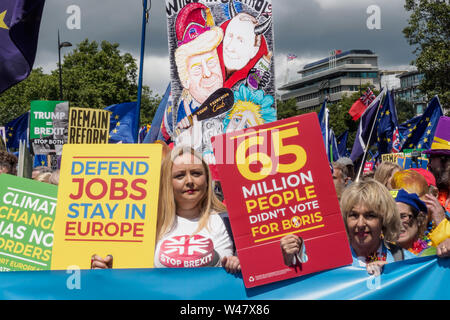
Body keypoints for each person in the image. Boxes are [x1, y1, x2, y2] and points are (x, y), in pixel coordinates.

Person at [92, 146, 240, 273]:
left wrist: (243, 264)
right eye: (180, 175)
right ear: (167, 182)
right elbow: (130, 280)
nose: (189, 181)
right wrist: (107, 272)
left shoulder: (230, 221)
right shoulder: (146, 226)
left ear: (207, 180)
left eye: (196, 173)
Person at [340, 179, 416, 275]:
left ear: (384, 219)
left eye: (370, 215)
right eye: (354, 215)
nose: (360, 224)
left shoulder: (406, 262)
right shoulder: (333, 261)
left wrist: (390, 275)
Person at [394, 189, 429, 255]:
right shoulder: (380, 255)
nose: (397, 224)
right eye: (392, 218)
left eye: (403, 216)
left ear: (419, 219)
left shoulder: (433, 255)